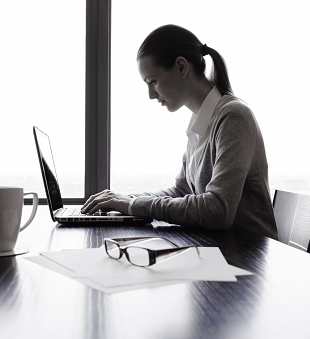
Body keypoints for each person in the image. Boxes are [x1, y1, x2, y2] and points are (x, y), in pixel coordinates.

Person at [81, 24, 277, 239]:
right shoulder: (200, 121)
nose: (150, 94)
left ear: (182, 67)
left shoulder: (233, 116)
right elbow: (181, 191)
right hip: (219, 248)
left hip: (248, 258)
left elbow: (218, 210)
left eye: (153, 81)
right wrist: (126, 200)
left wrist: (134, 205)